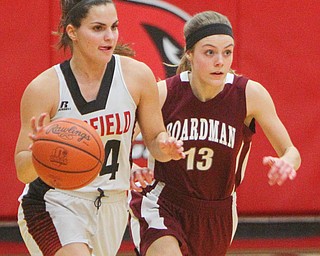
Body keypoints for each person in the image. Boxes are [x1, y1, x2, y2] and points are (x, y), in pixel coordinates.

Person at [14, 1, 185, 255]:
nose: (109, 36)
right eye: (98, 28)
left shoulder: (137, 76)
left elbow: (155, 140)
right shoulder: (45, 88)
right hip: (54, 202)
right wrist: (39, 152)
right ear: (72, 32)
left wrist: (164, 146)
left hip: (112, 203)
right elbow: (22, 171)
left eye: (114, 27)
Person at [128, 10, 301, 256]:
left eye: (227, 52)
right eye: (210, 52)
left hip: (218, 212)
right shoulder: (164, 93)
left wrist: (286, 162)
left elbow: (292, 151)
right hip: (163, 202)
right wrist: (129, 167)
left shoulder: (250, 95)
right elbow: (119, 138)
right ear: (189, 53)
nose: (220, 61)